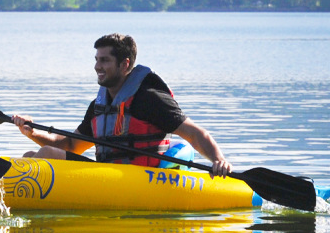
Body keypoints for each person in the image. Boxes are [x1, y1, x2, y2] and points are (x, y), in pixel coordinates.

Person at [12, 33, 233, 177]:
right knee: (32, 154)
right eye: (96, 59)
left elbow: (195, 134)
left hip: (141, 179)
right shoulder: (100, 105)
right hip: (109, 175)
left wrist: (219, 160)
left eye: (104, 60)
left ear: (125, 64)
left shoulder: (150, 98)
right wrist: (31, 131)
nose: (97, 66)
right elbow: (70, 144)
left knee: (47, 154)